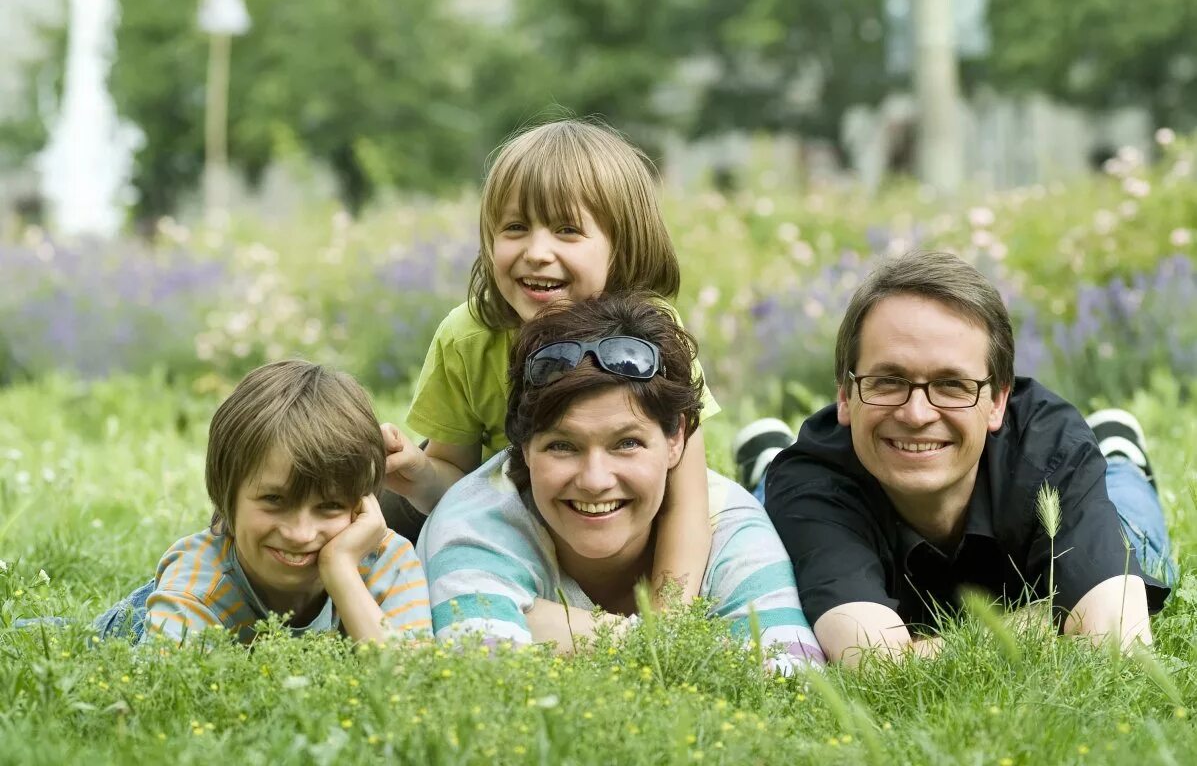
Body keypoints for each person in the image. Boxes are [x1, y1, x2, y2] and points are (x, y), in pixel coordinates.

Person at [751, 250, 1172, 665]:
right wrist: (1046, 619)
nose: (916, 415)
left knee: (1135, 534)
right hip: (811, 484)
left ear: (997, 401)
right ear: (844, 395)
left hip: (1060, 478)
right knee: (769, 512)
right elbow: (875, 663)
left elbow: (1117, 638)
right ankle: (765, 463)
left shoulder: (1047, 446)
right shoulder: (815, 479)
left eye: (952, 384)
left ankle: (1120, 452)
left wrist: (925, 648)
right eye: (888, 381)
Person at [381, 118, 719, 610]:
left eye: (567, 230)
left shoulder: (649, 338)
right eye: (515, 228)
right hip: (509, 517)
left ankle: (764, 463)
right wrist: (420, 474)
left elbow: (686, 499)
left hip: (610, 515)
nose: (537, 253)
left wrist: (667, 624)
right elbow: (459, 488)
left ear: (619, 246)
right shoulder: (469, 337)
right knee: (381, 510)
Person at [416, 292, 824, 670]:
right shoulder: (473, 524)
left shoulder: (727, 523)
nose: (595, 480)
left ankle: (767, 464)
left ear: (675, 438)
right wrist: (684, 645)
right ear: (522, 446)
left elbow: (792, 673)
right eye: (562, 446)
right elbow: (481, 665)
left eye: (626, 443)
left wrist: (548, 626)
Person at [97, 360, 432, 644]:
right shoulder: (200, 581)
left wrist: (341, 568)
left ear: (362, 505)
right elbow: (164, 693)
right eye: (274, 500)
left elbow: (413, 685)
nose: (301, 533)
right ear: (225, 496)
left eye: (329, 506)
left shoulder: (387, 559)